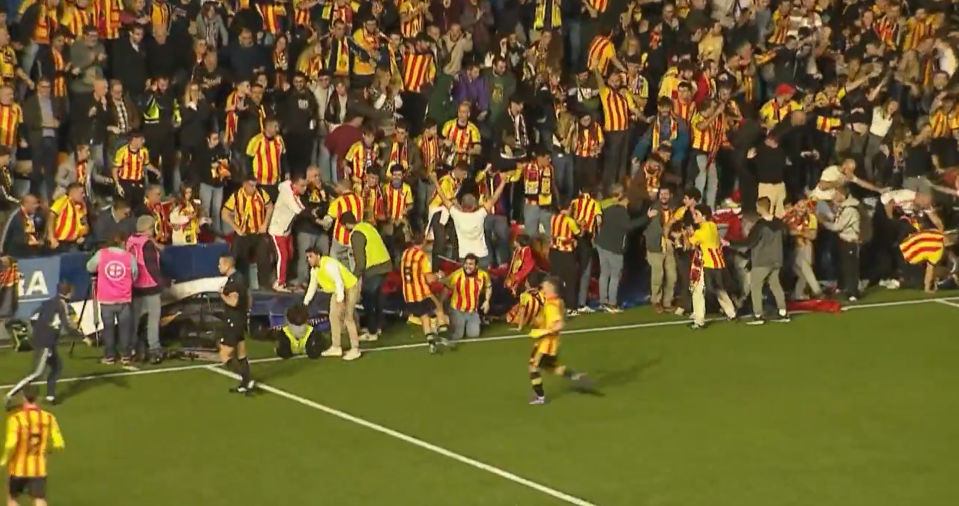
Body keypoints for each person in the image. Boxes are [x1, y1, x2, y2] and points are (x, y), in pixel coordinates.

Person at [4, 284, 77, 407]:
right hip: (46, 342)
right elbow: (68, 326)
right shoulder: (62, 304)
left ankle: (50, 396)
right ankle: (10, 395)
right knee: (37, 373)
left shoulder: (48, 302)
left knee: (57, 367)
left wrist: (40, 331)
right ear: (68, 293)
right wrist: (82, 336)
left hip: (43, 340)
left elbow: (33, 318)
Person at [528, 276, 591, 405]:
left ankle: (540, 397)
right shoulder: (558, 301)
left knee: (533, 367)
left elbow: (559, 324)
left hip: (546, 344)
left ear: (551, 289)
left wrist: (544, 331)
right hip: (553, 343)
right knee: (550, 367)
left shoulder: (551, 306)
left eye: (544, 287)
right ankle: (575, 376)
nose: (542, 289)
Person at [1, 385, 65, 506]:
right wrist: (47, 450)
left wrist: (4, 460)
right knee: (39, 499)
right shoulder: (49, 417)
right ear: (38, 398)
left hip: (17, 468)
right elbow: (60, 444)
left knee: (12, 499)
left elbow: (11, 444)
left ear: (23, 398)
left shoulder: (15, 419)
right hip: (38, 468)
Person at [730, 197, 790, 324]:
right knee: (775, 285)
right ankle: (783, 312)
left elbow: (749, 243)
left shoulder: (760, 225)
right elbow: (786, 239)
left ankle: (758, 315)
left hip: (762, 260)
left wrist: (729, 243)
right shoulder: (780, 223)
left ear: (761, 208)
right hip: (777, 259)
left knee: (756, 286)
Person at [85, 235, 137, 365]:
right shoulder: (129, 257)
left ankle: (110, 356)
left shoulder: (101, 254)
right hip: (124, 298)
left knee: (108, 329)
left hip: (106, 298)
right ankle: (126, 355)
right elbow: (135, 274)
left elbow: (90, 267)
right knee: (125, 328)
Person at [303, 248, 362, 361]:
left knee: (348, 317)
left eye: (311, 256)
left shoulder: (329, 264)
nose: (309, 260)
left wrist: (340, 300)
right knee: (333, 316)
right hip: (338, 290)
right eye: (307, 257)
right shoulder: (314, 270)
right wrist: (305, 302)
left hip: (350, 287)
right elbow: (312, 286)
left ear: (318, 255)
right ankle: (336, 347)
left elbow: (339, 281)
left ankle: (355, 349)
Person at [341, 212, 391, 341]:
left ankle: (372, 331)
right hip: (385, 264)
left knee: (368, 300)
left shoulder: (356, 234)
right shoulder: (366, 226)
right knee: (377, 298)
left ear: (346, 224)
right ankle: (380, 326)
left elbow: (360, 262)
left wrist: (352, 278)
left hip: (374, 268)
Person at [688, 204, 737, 329]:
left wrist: (687, 234)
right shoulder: (713, 226)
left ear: (704, 216)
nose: (694, 217)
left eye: (696, 214)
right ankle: (731, 312)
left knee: (698, 290)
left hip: (706, 263)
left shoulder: (700, 232)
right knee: (718, 289)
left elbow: (689, 244)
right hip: (718, 262)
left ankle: (699, 320)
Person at [126, 216, 165, 363]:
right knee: (153, 318)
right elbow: (151, 266)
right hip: (150, 285)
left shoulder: (130, 240)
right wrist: (162, 282)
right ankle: (154, 348)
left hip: (135, 284)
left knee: (135, 318)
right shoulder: (147, 244)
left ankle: (132, 347)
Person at [400, 232, 447, 354]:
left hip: (408, 295)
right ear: (424, 241)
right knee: (439, 308)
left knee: (424, 317)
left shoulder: (405, 253)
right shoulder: (422, 256)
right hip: (421, 293)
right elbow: (429, 279)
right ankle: (444, 335)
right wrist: (439, 276)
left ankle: (431, 343)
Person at [216, 255, 256, 394]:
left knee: (225, 355)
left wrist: (222, 294)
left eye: (220, 264)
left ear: (228, 264)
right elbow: (249, 299)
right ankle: (245, 384)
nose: (218, 266)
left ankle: (247, 379)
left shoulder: (233, 281)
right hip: (240, 319)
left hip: (233, 321)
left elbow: (234, 302)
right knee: (241, 353)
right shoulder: (241, 277)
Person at [444, 253, 491, 343]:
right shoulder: (456, 275)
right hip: (457, 310)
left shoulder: (483, 275)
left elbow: (488, 286)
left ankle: (470, 323)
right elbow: (445, 290)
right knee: (458, 336)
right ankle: (453, 324)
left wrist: (487, 301)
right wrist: (441, 309)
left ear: (476, 266)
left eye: (471, 264)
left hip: (473, 311)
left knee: (473, 335)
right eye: (466, 263)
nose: (467, 266)